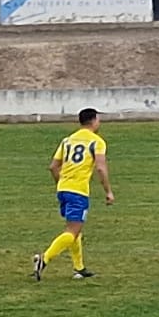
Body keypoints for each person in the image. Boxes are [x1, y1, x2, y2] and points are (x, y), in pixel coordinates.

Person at [36, 108, 113, 281]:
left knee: (74, 229)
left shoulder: (67, 141)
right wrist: (108, 191)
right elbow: (100, 167)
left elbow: (53, 167)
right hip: (78, 191)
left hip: (63, 189)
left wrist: (61, 184)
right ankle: (44, 259)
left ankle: (79, 267)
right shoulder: (96, 142)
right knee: (72, 230)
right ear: (93, 121)